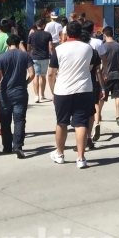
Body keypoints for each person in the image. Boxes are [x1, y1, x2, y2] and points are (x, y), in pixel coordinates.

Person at [49, 21, 101, 169]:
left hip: (62, 90)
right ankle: (81, 158)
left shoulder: (59, 49)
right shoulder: (89, 49)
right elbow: (91, 67)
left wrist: (53, 90)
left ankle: (60, 154)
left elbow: (51, 73)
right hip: (84, 89)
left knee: (61, 122)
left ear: (66, 34)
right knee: (81, 123)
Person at [0, 34, 33, 158]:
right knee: (19, 120)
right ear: (19, 44)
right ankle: (18, 146)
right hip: (20, 92)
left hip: (5, 93)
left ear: (7, 45)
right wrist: (25, 83)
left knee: (5, 121)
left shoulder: (1, 57)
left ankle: (7, 146)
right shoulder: (25, 56)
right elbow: (32, 74)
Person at [100, 26, 119, 126]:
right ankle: (118, 117)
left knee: (102, 97)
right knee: (117, 96)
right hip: (117, 75)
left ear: (105, 35)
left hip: (105, 76)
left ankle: (98, 114)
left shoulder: (103, 46)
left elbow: (100, 62)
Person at [26, 17, 53, 102]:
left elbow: (28, 47)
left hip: (35, 57)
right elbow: (51, 46)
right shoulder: (48, 34)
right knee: (43, 76)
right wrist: (52, 54)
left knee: (36, 76)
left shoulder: (32, 35)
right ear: (44, 25)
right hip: (45, 57)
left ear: (36, 25)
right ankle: (42, 94)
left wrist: (30, 54)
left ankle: (36, 96)